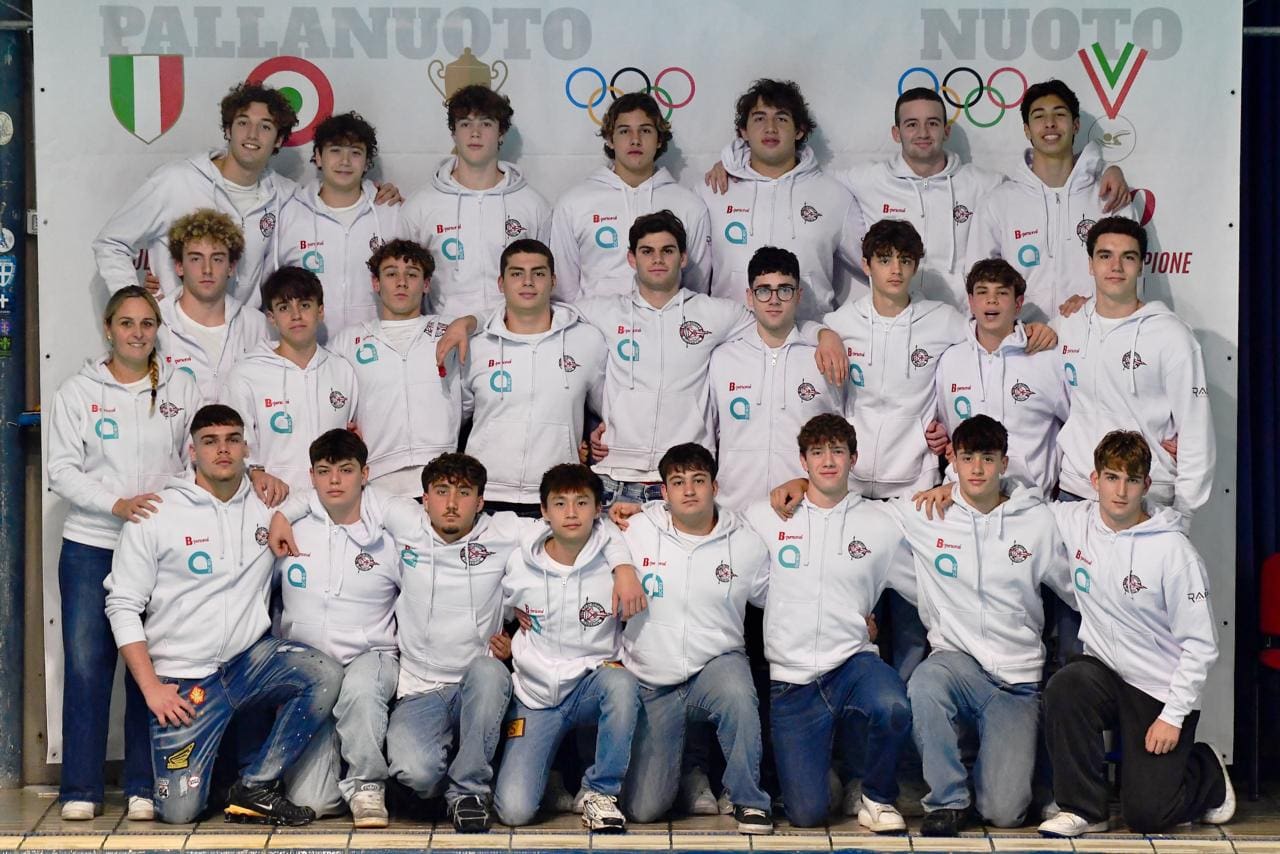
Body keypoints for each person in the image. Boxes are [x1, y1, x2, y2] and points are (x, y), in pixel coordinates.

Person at [377, 452, 641, 832]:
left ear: (480, 501)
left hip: (479, 681)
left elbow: (584, 526)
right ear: (424, 498)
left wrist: (623, 567)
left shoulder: (504, 532)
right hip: (420, 686)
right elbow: (346, 492)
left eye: (464, 493)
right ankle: (466, 778)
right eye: (442, 491)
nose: (451, 503)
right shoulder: (404, 520)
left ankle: (468, 793)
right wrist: (291, 510)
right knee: (421, 774)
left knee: (488, 672)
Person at [103, 404, 340, 825]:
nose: (223, 450)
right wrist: (152, 688)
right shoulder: (156, 515)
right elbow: (122, 605)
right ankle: (206, 783)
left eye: (232, 440)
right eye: (210, 442)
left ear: (246, 448)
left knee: (323, 673)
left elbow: (319, 497)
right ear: (192, 452)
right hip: (186, 683)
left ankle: (256, 786)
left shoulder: (267, 506)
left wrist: (282, 511)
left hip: (248, 665)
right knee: (179, 813)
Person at [48, 286, 203, 822]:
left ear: (157, 330)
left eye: (147, 323)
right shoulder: (77, 391)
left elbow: (194, 461)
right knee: (87, 666)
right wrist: (116, 504)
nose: (138, 333)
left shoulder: (181, 387)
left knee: (152, 667)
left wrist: (171, 515)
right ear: (109, 329)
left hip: (158, 550)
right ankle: (80, 789)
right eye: (127, 323)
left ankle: (143, 785)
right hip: (92, 545)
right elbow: (61, 470)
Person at [885, 415, 1073, 835]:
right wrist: (804, 485)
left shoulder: (1037, 521)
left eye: (988, 458)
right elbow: (852, 514)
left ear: (1004, 463)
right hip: (957, 662)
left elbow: (1073, 586)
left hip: (1015, 679)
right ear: (952, 461)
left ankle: (991, 781)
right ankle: (947, 800)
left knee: (1004, 814)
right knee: (924, 683)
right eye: (967, 458)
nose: (977, 469)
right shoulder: (926, 512)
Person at [743, 414, 914, 831]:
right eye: (817, 452)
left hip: (853, 662)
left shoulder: (882, 524)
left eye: (838, 451)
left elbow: (923, 586)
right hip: (793, 680)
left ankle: (877, 796)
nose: (828, 461)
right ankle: (830, 778)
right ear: (803, 462)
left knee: (891, 705)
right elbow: (730, 561)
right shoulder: (764, 517)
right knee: (807, 814)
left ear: (854, 458)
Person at [837, 87, 1130, 310]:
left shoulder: (986, 186)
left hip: (959, 320)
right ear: (896, 132)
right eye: (912, 124)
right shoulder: (867, 179)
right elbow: (819, 191)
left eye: (933, 123)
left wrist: (1102, 168)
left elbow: (1050, 185)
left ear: (946, 130)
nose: (923, 133)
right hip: (896, 317)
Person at [610, 443, 774, 834]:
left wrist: (856, 618)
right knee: (644, 809)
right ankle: (687, 777)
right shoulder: (636, 530)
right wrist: (622, 567)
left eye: (698, 480)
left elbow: (782, 599)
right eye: (678, 482)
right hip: (653, 681)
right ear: (664, 492)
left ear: (714, 487)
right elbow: (595, 534)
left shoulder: (745, 543)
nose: (688, 490)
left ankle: (749, 799)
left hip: (713, 667)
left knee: (738, 689)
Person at [494, 464, 641, 832]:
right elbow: (492, 608)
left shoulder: (615, 559)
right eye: (560, 504)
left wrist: (624, 568)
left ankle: (599, 793)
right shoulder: (519, 562)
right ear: (544, 512)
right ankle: (548, 779)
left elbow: (667, 514)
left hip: (590, 686)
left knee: (622, 684)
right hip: (535, 695)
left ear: (598, 509)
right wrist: (504, 636)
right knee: (514, 811)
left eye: (582, 502)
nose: (571, 513)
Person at [278, 430, 401, 827]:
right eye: (324, 471)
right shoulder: (290, 529)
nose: (334, 480)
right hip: (311, 669)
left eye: (346, 470)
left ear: (365, 474)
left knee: (360, 689)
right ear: (311, 476)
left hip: (371, 656)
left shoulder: (388, 534)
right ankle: (334, 775)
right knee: (311, 803)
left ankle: (368, 786)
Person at [1054, 217, 1213, 521]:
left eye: (1128, 257)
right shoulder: (1067, 326)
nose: (1116, 266)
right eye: (1105, 256)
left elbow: (1196, 429)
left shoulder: (1172, 336)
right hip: (1076, 492)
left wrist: (1183, 514)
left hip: (1145, 496)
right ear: (1091, 264)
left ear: (1141, 266)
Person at [93, 82, 299, 308]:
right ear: (228, 130)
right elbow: (111, 242)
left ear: (278, 140)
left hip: (244, 327)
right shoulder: (177, 180)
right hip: (175, 328)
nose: (252, 134)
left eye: (265, 127)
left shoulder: (284, 195)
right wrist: (137, 306)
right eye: (243, 123)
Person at [966, 80, 1137, 323]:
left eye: (1059, 114)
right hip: (1022, 339)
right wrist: (1016, 329)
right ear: (1027, 130)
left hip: (1093, 333)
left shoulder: (1110, 196)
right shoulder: (997, 203)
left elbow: (1131, 278)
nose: (1050, 123)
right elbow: (978, 283)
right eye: (1039, 116)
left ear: (1076, 125)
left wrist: (1092, 308)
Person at [697, 78, 866, 321]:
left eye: (782, 118)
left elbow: (876, 265)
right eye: (759, 118)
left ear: (799, 131)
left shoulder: (834, 196)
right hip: (731, 335)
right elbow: (690, 275)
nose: (770, 128)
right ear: (743, 131)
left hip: (808, 334)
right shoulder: (712, 191)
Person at [458, 239, 606, 515]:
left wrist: (600, 431)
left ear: (553, 281)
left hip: (559, 495)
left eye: (538, 273)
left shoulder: (587, 341)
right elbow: (454, 418)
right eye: (517, 273)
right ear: (501, 283)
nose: (528, 282)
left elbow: (608, 406)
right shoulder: (477, 346)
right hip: (486, 493)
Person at [400, 84, 551, 321]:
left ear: (501, 133)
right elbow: (401, 283)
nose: (475, 133)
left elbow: (548, 280)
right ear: (453, 133)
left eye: (486, 124)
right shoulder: (420, 206)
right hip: (445, 332)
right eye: (465, 124)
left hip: (514, 333)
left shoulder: (533, 205)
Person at [709, 246, 843, 510]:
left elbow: (844, 434)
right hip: (735, 509)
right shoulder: (723, 359)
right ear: (750, 297)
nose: (774, 300)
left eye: (784, 290)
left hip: (803, 508)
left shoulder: (823, 358)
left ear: (798, 295)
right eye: (763, 290)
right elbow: (708, 436)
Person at [550, 92, 711, 300]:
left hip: (668, 321)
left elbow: (696, 290)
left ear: (659, 140)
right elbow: (564, 290)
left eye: (645, 130)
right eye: (625, 131)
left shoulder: (689, 205)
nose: (635, 140)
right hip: (593, 320)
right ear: (610, 139)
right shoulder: (573, 203)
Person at [335, 238, 460, 497]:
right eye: (391, 274)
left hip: (441, 474)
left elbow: (469, 396)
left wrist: (471, 321)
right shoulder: (347, 341)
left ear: (426, 284)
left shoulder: (449, 331)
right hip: (378, 479)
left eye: (412, 275)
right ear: (376, 283)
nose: (401, 282)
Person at [934, 258, 1070, 495]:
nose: (992, 300)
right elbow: (948, 428)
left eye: (1002, 292)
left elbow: (1075, 423)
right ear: (971, 302)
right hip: (962, 500)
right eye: (982, 292)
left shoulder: (1048, 360)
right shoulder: (950, 361)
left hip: (1028, 501)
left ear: (1018, 303)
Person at [222, 266, 360, 492]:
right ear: (271, 317)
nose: (296, 316)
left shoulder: (342, 370)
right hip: (273, 502)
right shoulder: (246, 374)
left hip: (332, 502)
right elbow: (231, 441)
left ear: (320, 311)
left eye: (304, 305)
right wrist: (255, 471)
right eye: (284, 307)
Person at [276, 111, 402, 343]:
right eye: (335, 150)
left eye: (355, 152)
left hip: (377, 349)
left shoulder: (391, 212)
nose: (345, 161)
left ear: (367, 161)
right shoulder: (290, 213)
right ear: (318, 157)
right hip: (310, 351)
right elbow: (274, 290)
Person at [157, 209, 269, 403]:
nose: (207, 269)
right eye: (196, 259)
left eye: (217, 259)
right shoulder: (157, 324)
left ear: (231, 267)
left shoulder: (256, 325)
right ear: (179, 266)